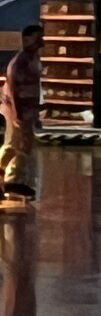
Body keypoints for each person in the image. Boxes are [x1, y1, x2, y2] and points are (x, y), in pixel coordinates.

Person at [0, 25, 44, 198]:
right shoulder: (20, 62)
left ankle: (9, 178)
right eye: (37, 38)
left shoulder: (34, 59)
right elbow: (13, 89)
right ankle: (13, 181)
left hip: (27, 109)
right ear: (26, 40)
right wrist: (17, 114)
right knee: (19, 145)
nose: (41, 41)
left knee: (17, 144)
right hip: (17, 109)